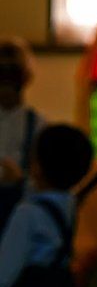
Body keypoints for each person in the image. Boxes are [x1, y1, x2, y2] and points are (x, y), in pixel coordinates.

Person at [0, 123, 94, 287]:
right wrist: (20, 181)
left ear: (37, 167)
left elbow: (3, 277)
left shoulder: (27, 213)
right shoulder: (69, 204)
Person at [0, 38, 45, 236]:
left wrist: (21, 179)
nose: (6, 85)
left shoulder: (37, 124)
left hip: (21, 220)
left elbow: (46, 183)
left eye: (12, 75)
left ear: (24, 78)